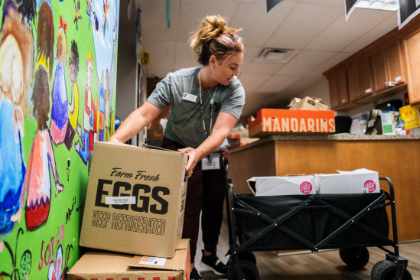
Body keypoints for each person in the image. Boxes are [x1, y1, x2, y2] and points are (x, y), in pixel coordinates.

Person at [109, 15, 245, 280]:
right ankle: (188, 265)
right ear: (213, 61)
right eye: (232, 67)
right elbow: (144, 115)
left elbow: (220, 131)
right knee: (188, 206)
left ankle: (209, 255)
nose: (236, 74)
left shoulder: (234, 90)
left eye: (239, 67)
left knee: (214, 205)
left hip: (213, 152)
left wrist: (199, 152)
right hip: (179, 145)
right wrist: (116, 140)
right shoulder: (177, 81)